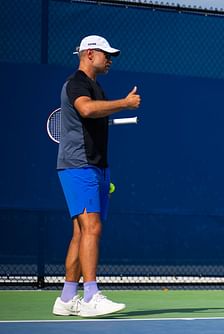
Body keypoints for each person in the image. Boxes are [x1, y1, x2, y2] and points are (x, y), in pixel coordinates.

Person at [52, 35, 141, 317]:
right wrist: (125, 104)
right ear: (89, 54)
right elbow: (86, 109)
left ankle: (67, 298)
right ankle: (91, 295)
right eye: (106, 54)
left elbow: (95, 114)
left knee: (80, 232)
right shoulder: (77, 83)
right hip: (79, 166)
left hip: (96, 167)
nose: (110, 59)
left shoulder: (97, 87)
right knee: (92, 229)